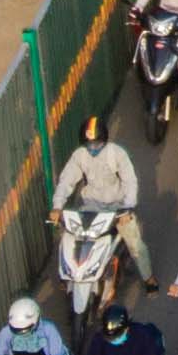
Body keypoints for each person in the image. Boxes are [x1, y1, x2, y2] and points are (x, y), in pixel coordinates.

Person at [53, 113, 144, 298]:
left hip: (116, 209)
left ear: (104, 140)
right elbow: (66, 181)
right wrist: (57, 206)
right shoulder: (79, 156)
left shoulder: (117, 153)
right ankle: (67, 276)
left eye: (97, 144)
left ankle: (149, 278)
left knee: (135, 244)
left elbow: (130, 181)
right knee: (68, 237)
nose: (93, 148)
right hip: (90, 208)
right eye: (89, 144)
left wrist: (128, 207)